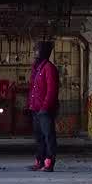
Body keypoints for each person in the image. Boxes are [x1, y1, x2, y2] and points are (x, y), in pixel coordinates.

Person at [27, 40, 60, 172]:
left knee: (48, 136)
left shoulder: (49, 68)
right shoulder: (37, 69)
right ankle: (40, 161)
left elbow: (52, 90)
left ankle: (49, 161)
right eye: (35, 50)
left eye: (37, 50)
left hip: (45, 110)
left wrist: (45, 107)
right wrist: (31, 105)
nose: (35, 53)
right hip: (36, 109)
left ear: (43, 52)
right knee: (39, 137)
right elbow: (33, 89)